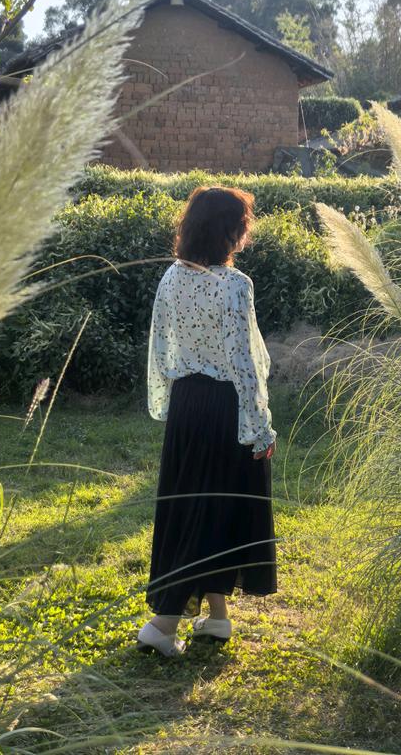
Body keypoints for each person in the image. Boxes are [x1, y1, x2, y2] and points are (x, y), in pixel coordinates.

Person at [136, 186, 277, 656]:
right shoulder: (236, 285)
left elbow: (159, 345)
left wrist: (165, 402)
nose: (246, 231)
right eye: (243, 223)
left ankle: (216, 619)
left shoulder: (171, 278)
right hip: (223, 407)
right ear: (228, 231)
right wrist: (259, 427)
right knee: (210, 510)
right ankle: (162, 623)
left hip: (186, 404)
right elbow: (243, 364)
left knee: (194, 504)